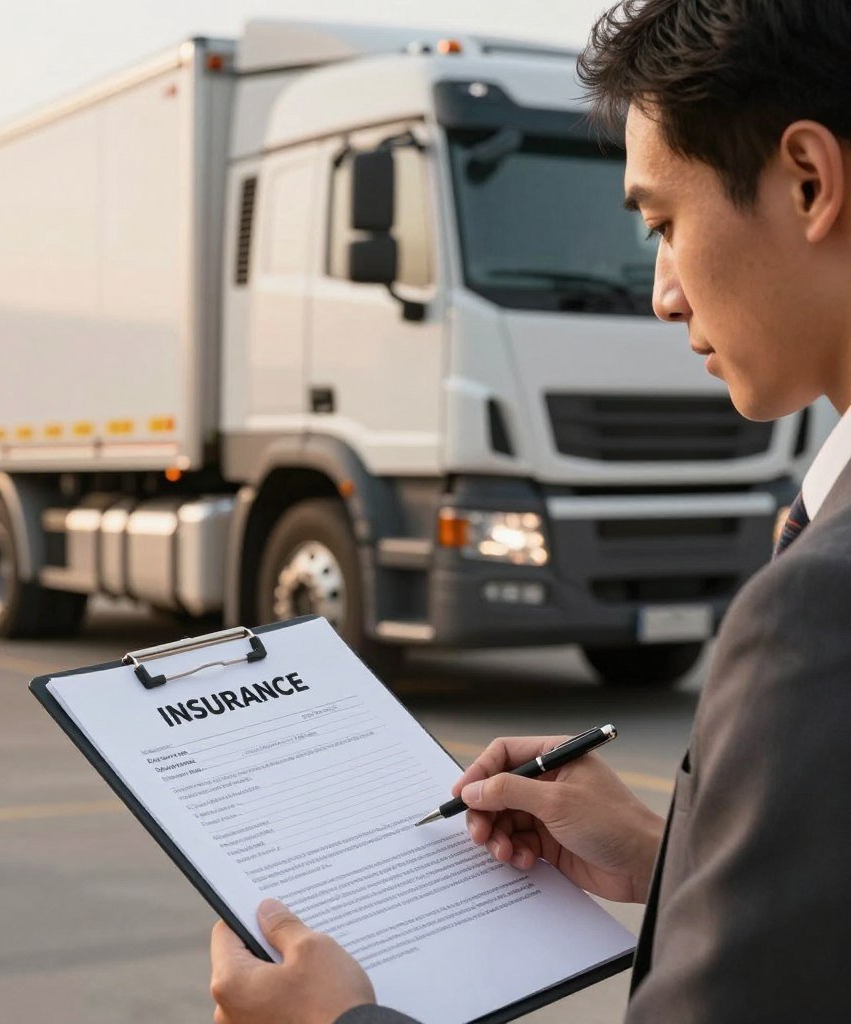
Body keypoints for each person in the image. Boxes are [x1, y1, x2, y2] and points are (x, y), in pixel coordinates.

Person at [208, 2, 851, 1020]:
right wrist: (675, 856)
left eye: (663, 225)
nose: (662, 295)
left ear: (809, 181)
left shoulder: (819, 607)